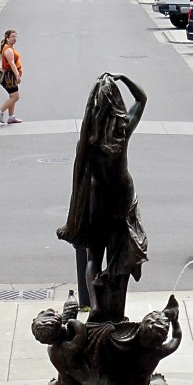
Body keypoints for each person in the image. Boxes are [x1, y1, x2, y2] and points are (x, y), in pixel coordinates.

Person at [57, 73, 148, 323]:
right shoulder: (122, 131)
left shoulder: (89, 141)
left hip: (98, 199)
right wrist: (125, 78)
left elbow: (80, 178)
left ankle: (96, 305)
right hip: (121, 196)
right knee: (118, 255)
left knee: (93, 257)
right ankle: (116, 311)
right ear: (116, 103)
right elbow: (142, 98)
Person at [0, 30, 23, 124]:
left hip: (9, 76)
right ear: (7, 38)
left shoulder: (9, 48)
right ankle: (0, 112)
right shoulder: (8, 50)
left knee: (12, 96)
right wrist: (17, 75)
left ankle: (11, 117)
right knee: (15, 97)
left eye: (15, 36)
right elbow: (11, 63)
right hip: (9, 76)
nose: (14, 38)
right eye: (12, 36)